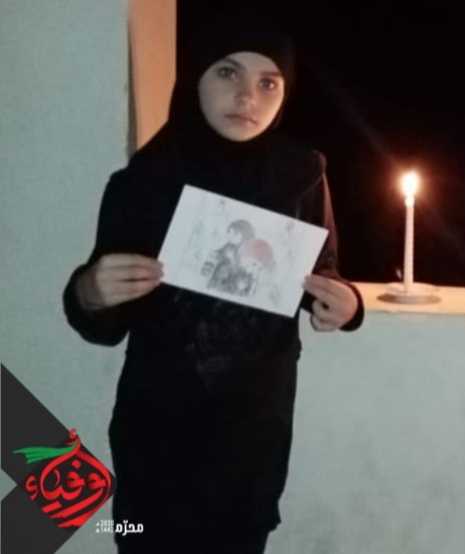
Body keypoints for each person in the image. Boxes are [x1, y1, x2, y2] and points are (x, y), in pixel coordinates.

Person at [62, 16, 362, 554]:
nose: (247, 96)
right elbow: (103, 325)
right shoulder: (145, 181)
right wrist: (89, 292)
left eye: (268, 82)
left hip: (253, 439)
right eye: (227, 72)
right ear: (194, 77)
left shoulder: (301, 175)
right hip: (157, 435)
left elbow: (324, 271)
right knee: (139, 538)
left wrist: (347, 303)